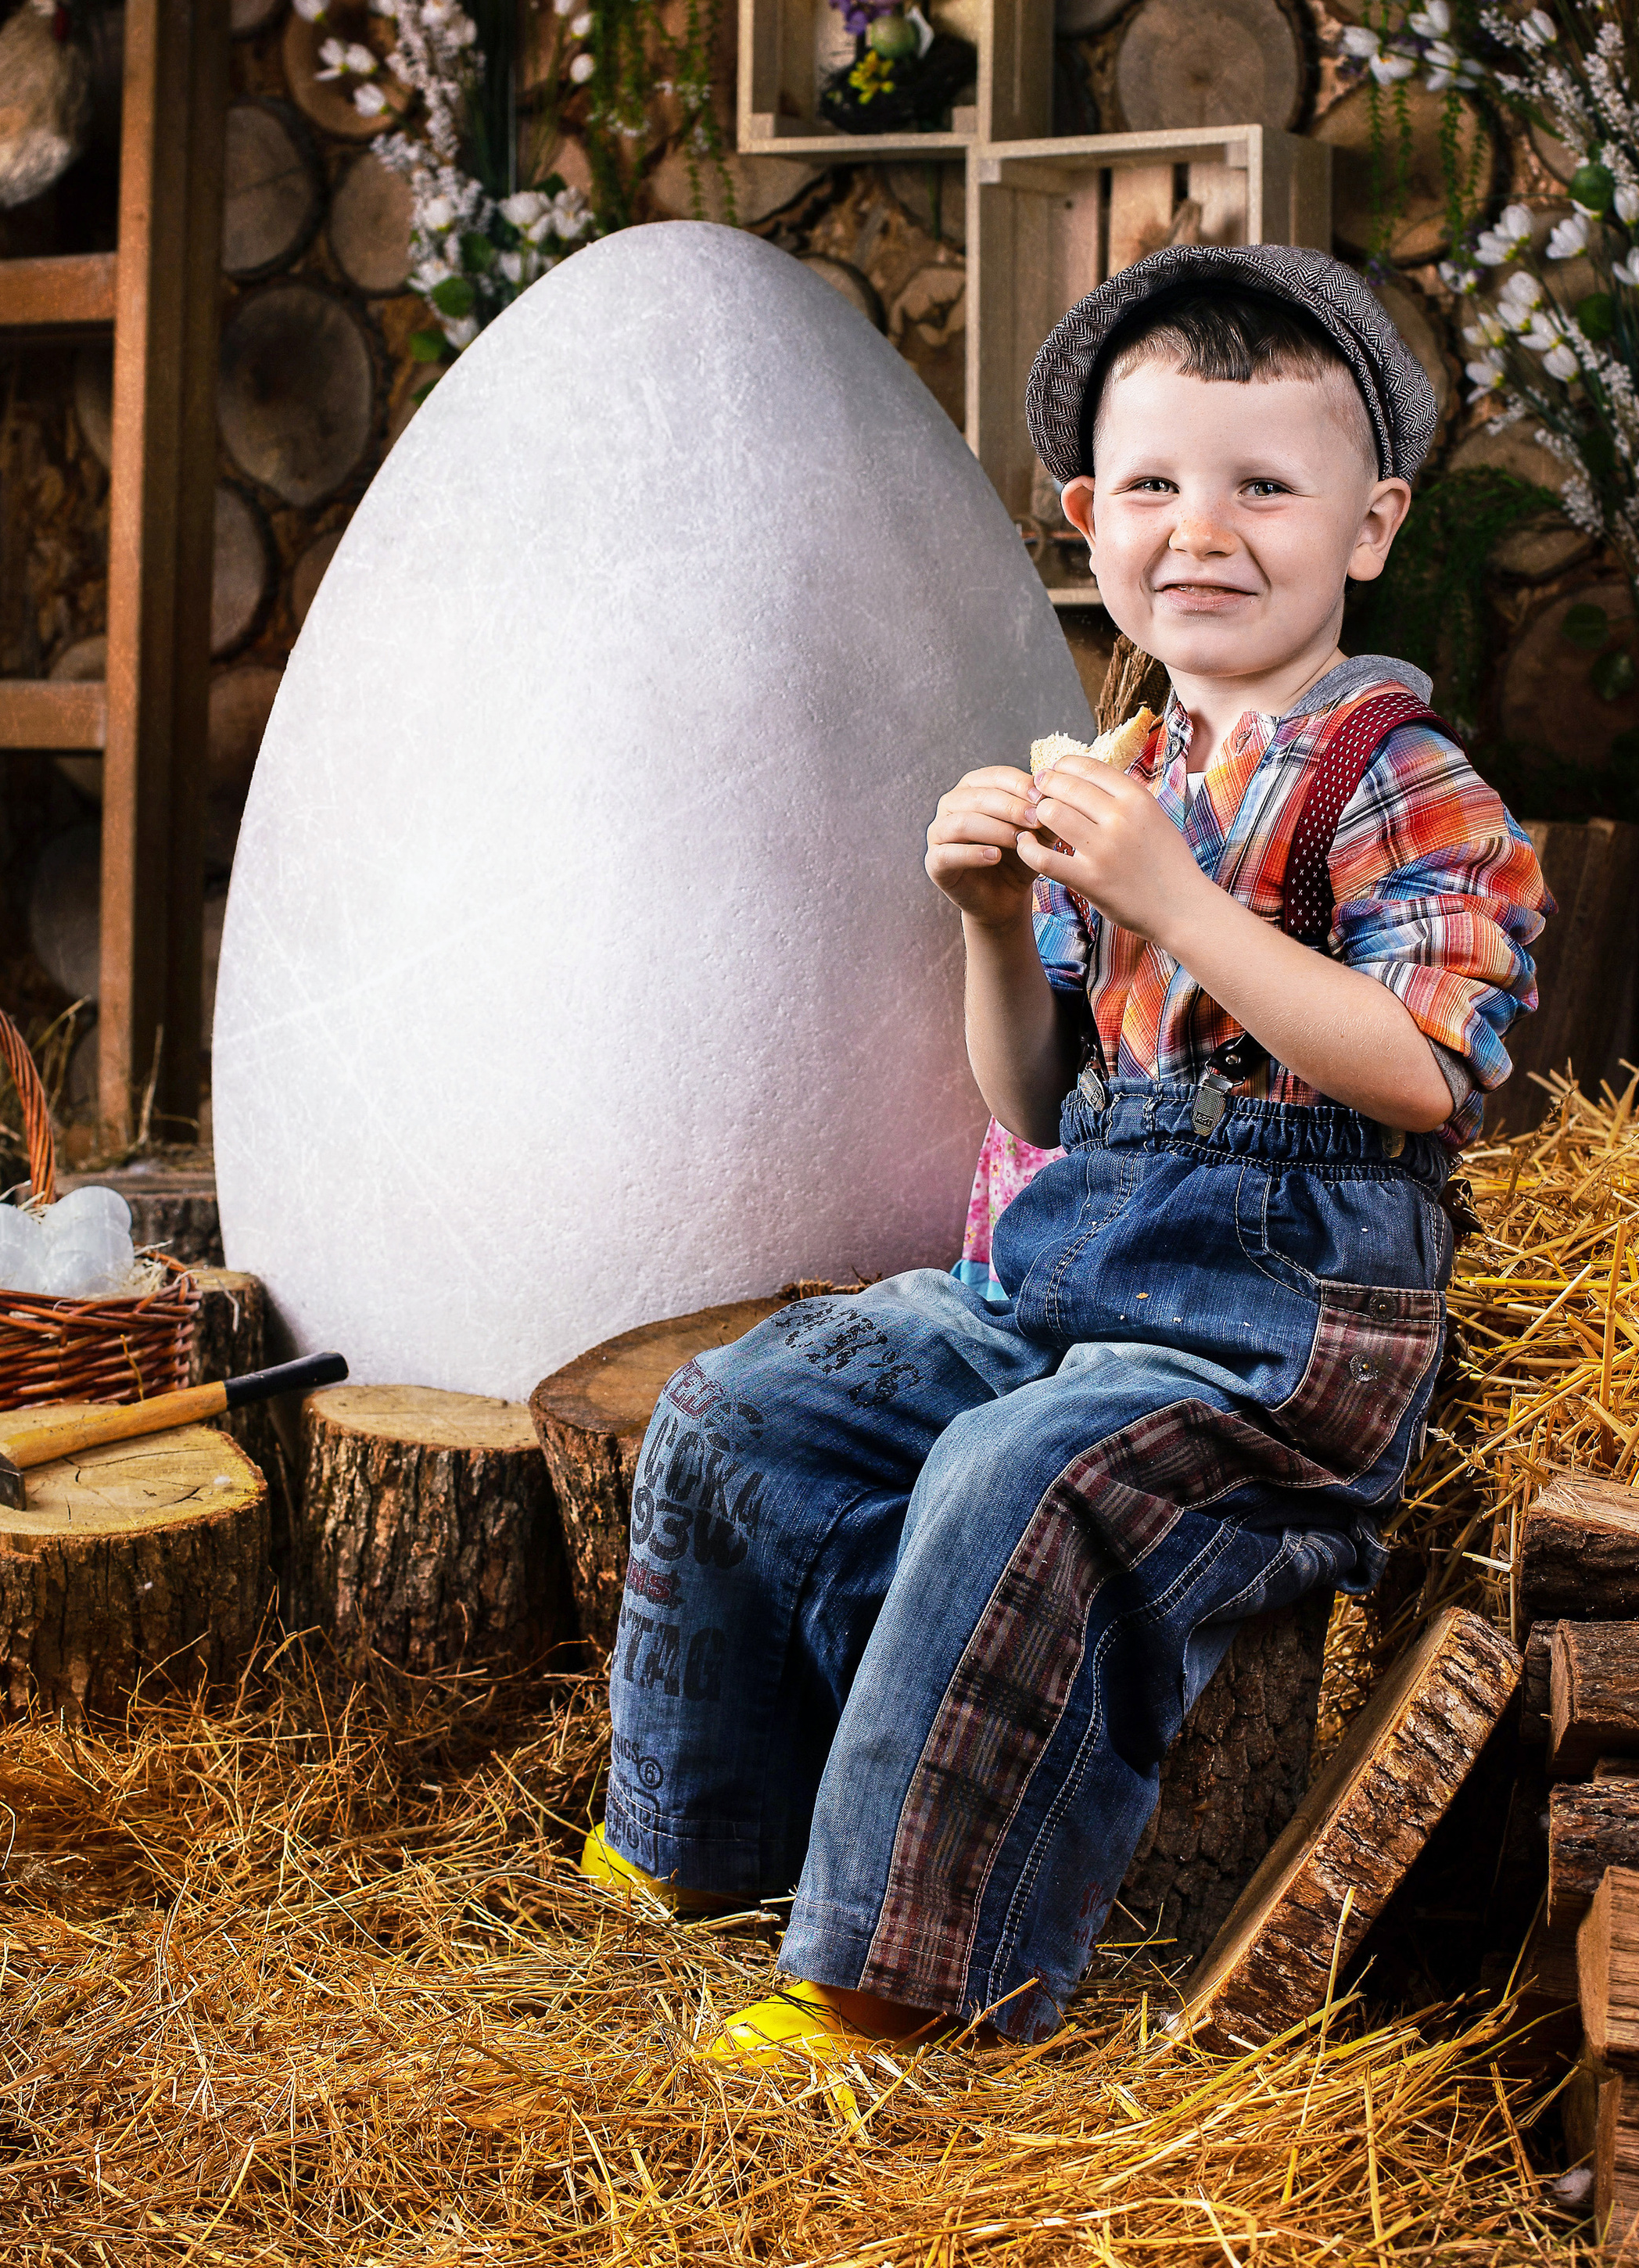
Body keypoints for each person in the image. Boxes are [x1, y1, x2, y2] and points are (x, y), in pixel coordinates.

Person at [579, 242, 1550, 2065]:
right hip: (1060, 1282)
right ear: (1092, 518)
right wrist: (980, 915)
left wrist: (1174, 900)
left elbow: (1423, 1067)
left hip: (1272, 1346)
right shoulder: (1123, 768)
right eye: (1155, 484)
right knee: (742, 1408)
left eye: (1265, 487)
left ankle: (892, 1987)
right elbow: (1034, 1108)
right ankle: (695, 1844)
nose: (1204, 530)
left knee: (1012, 1478)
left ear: (1367, 528)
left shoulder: (1395, 775)